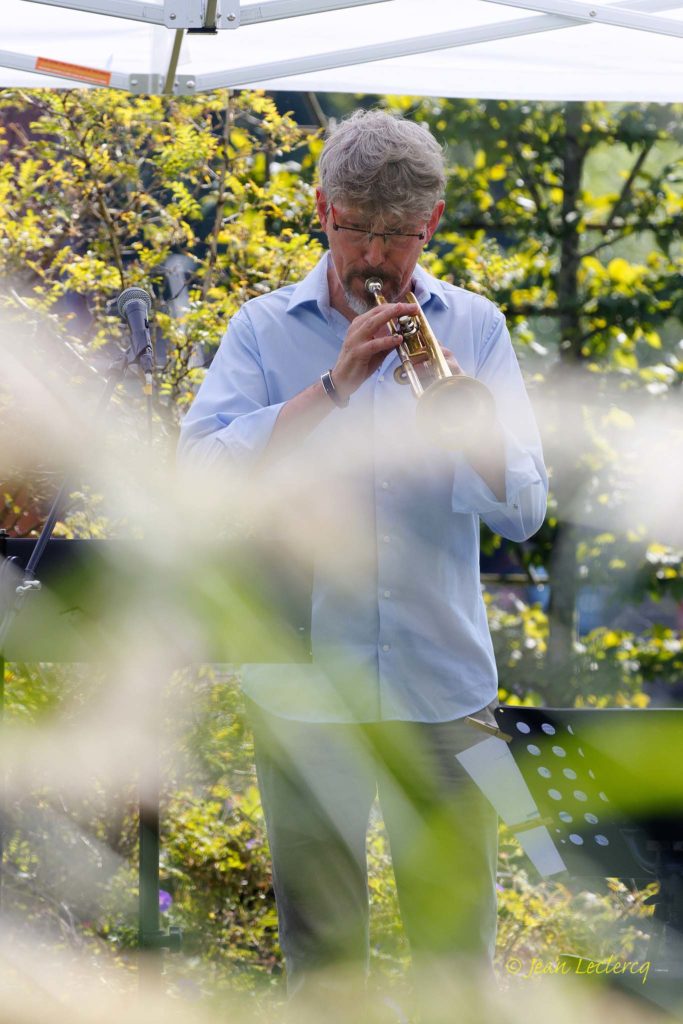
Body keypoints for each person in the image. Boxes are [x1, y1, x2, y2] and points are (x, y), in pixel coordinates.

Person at [178, 109, 547, 999]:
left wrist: (466, 432)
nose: (376, 257)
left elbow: (526, 513)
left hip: (444, 686)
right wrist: (332, 388)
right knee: (325, 966)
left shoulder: (477, 327)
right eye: (357, 230)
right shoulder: (264, 330)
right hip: (304, 690)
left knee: (458, 961)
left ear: (434, 222)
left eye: (398, 235)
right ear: (321, 209)